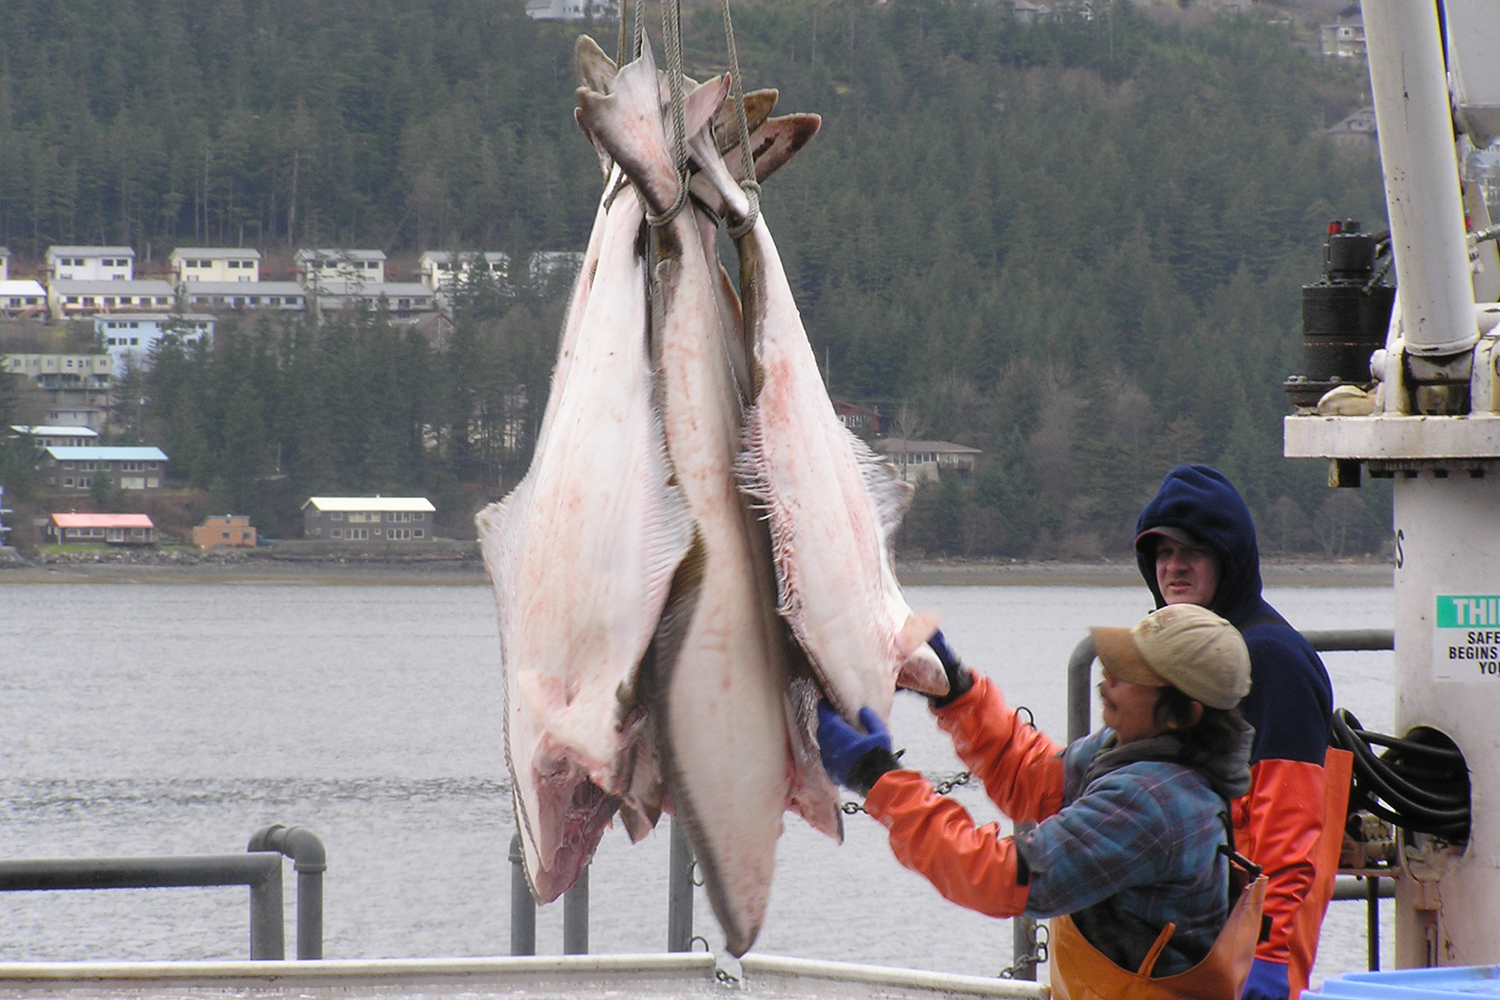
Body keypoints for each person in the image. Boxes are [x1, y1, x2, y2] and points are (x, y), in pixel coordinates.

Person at [818, 604, 1262, 995]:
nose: (1108, 676)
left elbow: (997, 876)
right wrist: (956, 691)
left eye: (1131, 675)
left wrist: (875, 778)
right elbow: (1035, 780)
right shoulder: (1133, 745)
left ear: (1184, 714)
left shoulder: (1154, 804)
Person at [1134, 465, 1348, 1000]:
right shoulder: (1187, 662)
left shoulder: (1270, 659)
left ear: (1228, 560)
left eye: (1192, 552)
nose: (1174, 568)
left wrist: (1268, 955)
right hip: (1196, 933)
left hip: (1254, 944)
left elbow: (1288, 824)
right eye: (1162, 553)